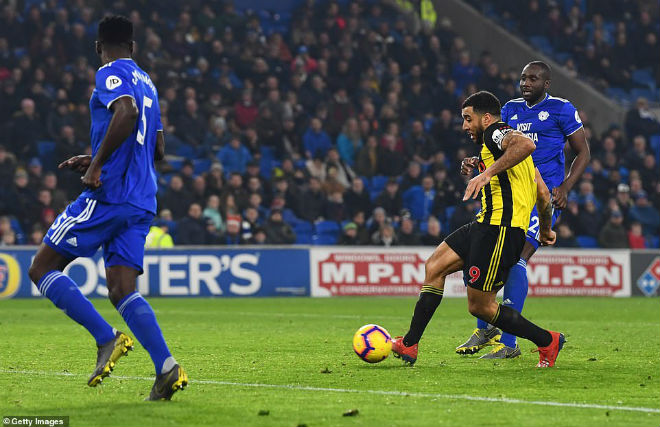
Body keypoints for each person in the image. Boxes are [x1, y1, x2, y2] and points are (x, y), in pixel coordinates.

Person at [27, 16, 187, 401]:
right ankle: (166, 369)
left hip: (110, 195)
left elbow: (126, 112)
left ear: (99, 47)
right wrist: (98, 154)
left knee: (42, 267)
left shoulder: (108, 73)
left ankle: (106, 338)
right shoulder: (149, 83)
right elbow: (158, 149)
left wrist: (98, 166)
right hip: (142, 199)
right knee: (121, 289)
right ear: (133, 47)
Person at [392, 91, 563, 368]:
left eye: (468, 119)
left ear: (486, 118)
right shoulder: (502, 149)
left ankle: (547, 341)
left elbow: (524, 144)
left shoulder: (497, 131)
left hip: (501, 231)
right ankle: (409, 344)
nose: (464, 126)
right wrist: (545, 230)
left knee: (480, 306)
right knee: (434, 266)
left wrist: (486, 173)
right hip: (485, 224)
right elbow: (543, 194)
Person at [456, 61, 590, 359]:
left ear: (547, 83)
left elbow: (583, 152)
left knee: (516, 260)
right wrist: (475, 164)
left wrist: (566, 187)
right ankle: (485, 329)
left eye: (533, 78)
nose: (525, 83)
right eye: (523, 78)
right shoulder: (511, 110)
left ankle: (510, 344)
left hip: (544, 198)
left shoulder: (562, 109)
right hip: (513, 197)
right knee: (492, 256)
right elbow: (495, 148)